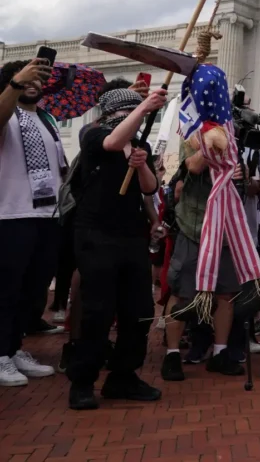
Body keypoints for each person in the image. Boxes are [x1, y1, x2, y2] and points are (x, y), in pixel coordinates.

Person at [67, 81, 167, 409]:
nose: (131, 117)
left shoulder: (139, 146)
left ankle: (123, 376)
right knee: (98, 311)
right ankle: (83, 380)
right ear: (111, 112)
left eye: (133, 111)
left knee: (139, 310)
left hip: (130, 236)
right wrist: (143, 106)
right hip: (95, 234)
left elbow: (150, 188)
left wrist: (140, 167)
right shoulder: (93, 135)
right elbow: (111, 141)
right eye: (125, 111)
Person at [160, 137, 247, 381]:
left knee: (226, 293)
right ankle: (173, 354)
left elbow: (245, 184)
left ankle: (219, 353)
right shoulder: (193, 136)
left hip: (227, 229)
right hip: (194, 228)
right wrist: (213, 142)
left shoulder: (234, 135)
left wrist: (241, 171)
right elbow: (194, 165)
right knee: (182, 293)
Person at [0, 59, 63, 387]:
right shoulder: (7, 114)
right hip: (11, 214)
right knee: (5, 289)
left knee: (31, 289)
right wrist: (14, 85)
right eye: (27, 77)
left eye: (40, 78)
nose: (35, 82)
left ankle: (12, 349)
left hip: (46, 216)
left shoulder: (47, 119)